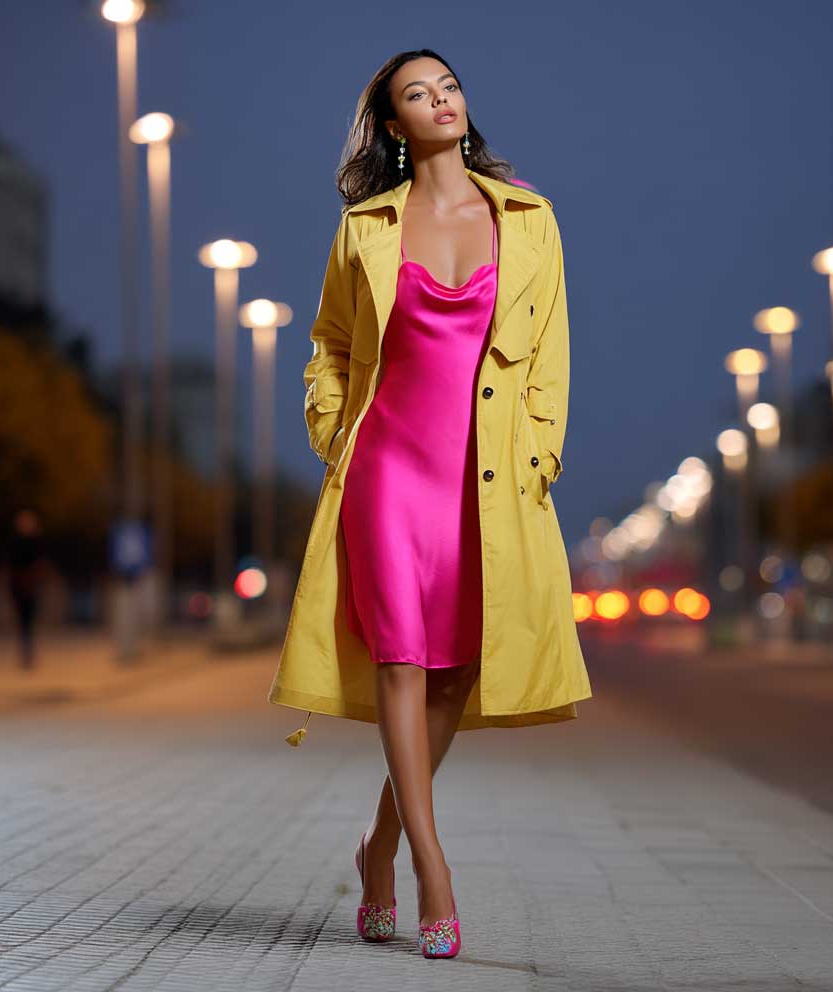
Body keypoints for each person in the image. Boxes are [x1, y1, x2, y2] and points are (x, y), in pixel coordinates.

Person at [267, 49, 592, 959]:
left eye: (448, 86)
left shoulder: (528, 217)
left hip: (484, 474)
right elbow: (330, 342)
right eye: (419, 94)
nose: (441, 100)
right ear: (394, 125)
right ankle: (431, 869)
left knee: (454, 670)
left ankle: (377, 846)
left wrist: (542, 452)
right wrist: (338, 433)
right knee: (402, 661)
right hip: (389, 470)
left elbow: (552, 353)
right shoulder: (365, 227)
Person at [7, 509, 46, 669]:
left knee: (28, 622)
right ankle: (26, 653)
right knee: (23, 622)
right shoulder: (15, 543)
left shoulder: (36, 542)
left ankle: (28, 653)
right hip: (20, 587)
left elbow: (40, 564)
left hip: (31, 587)